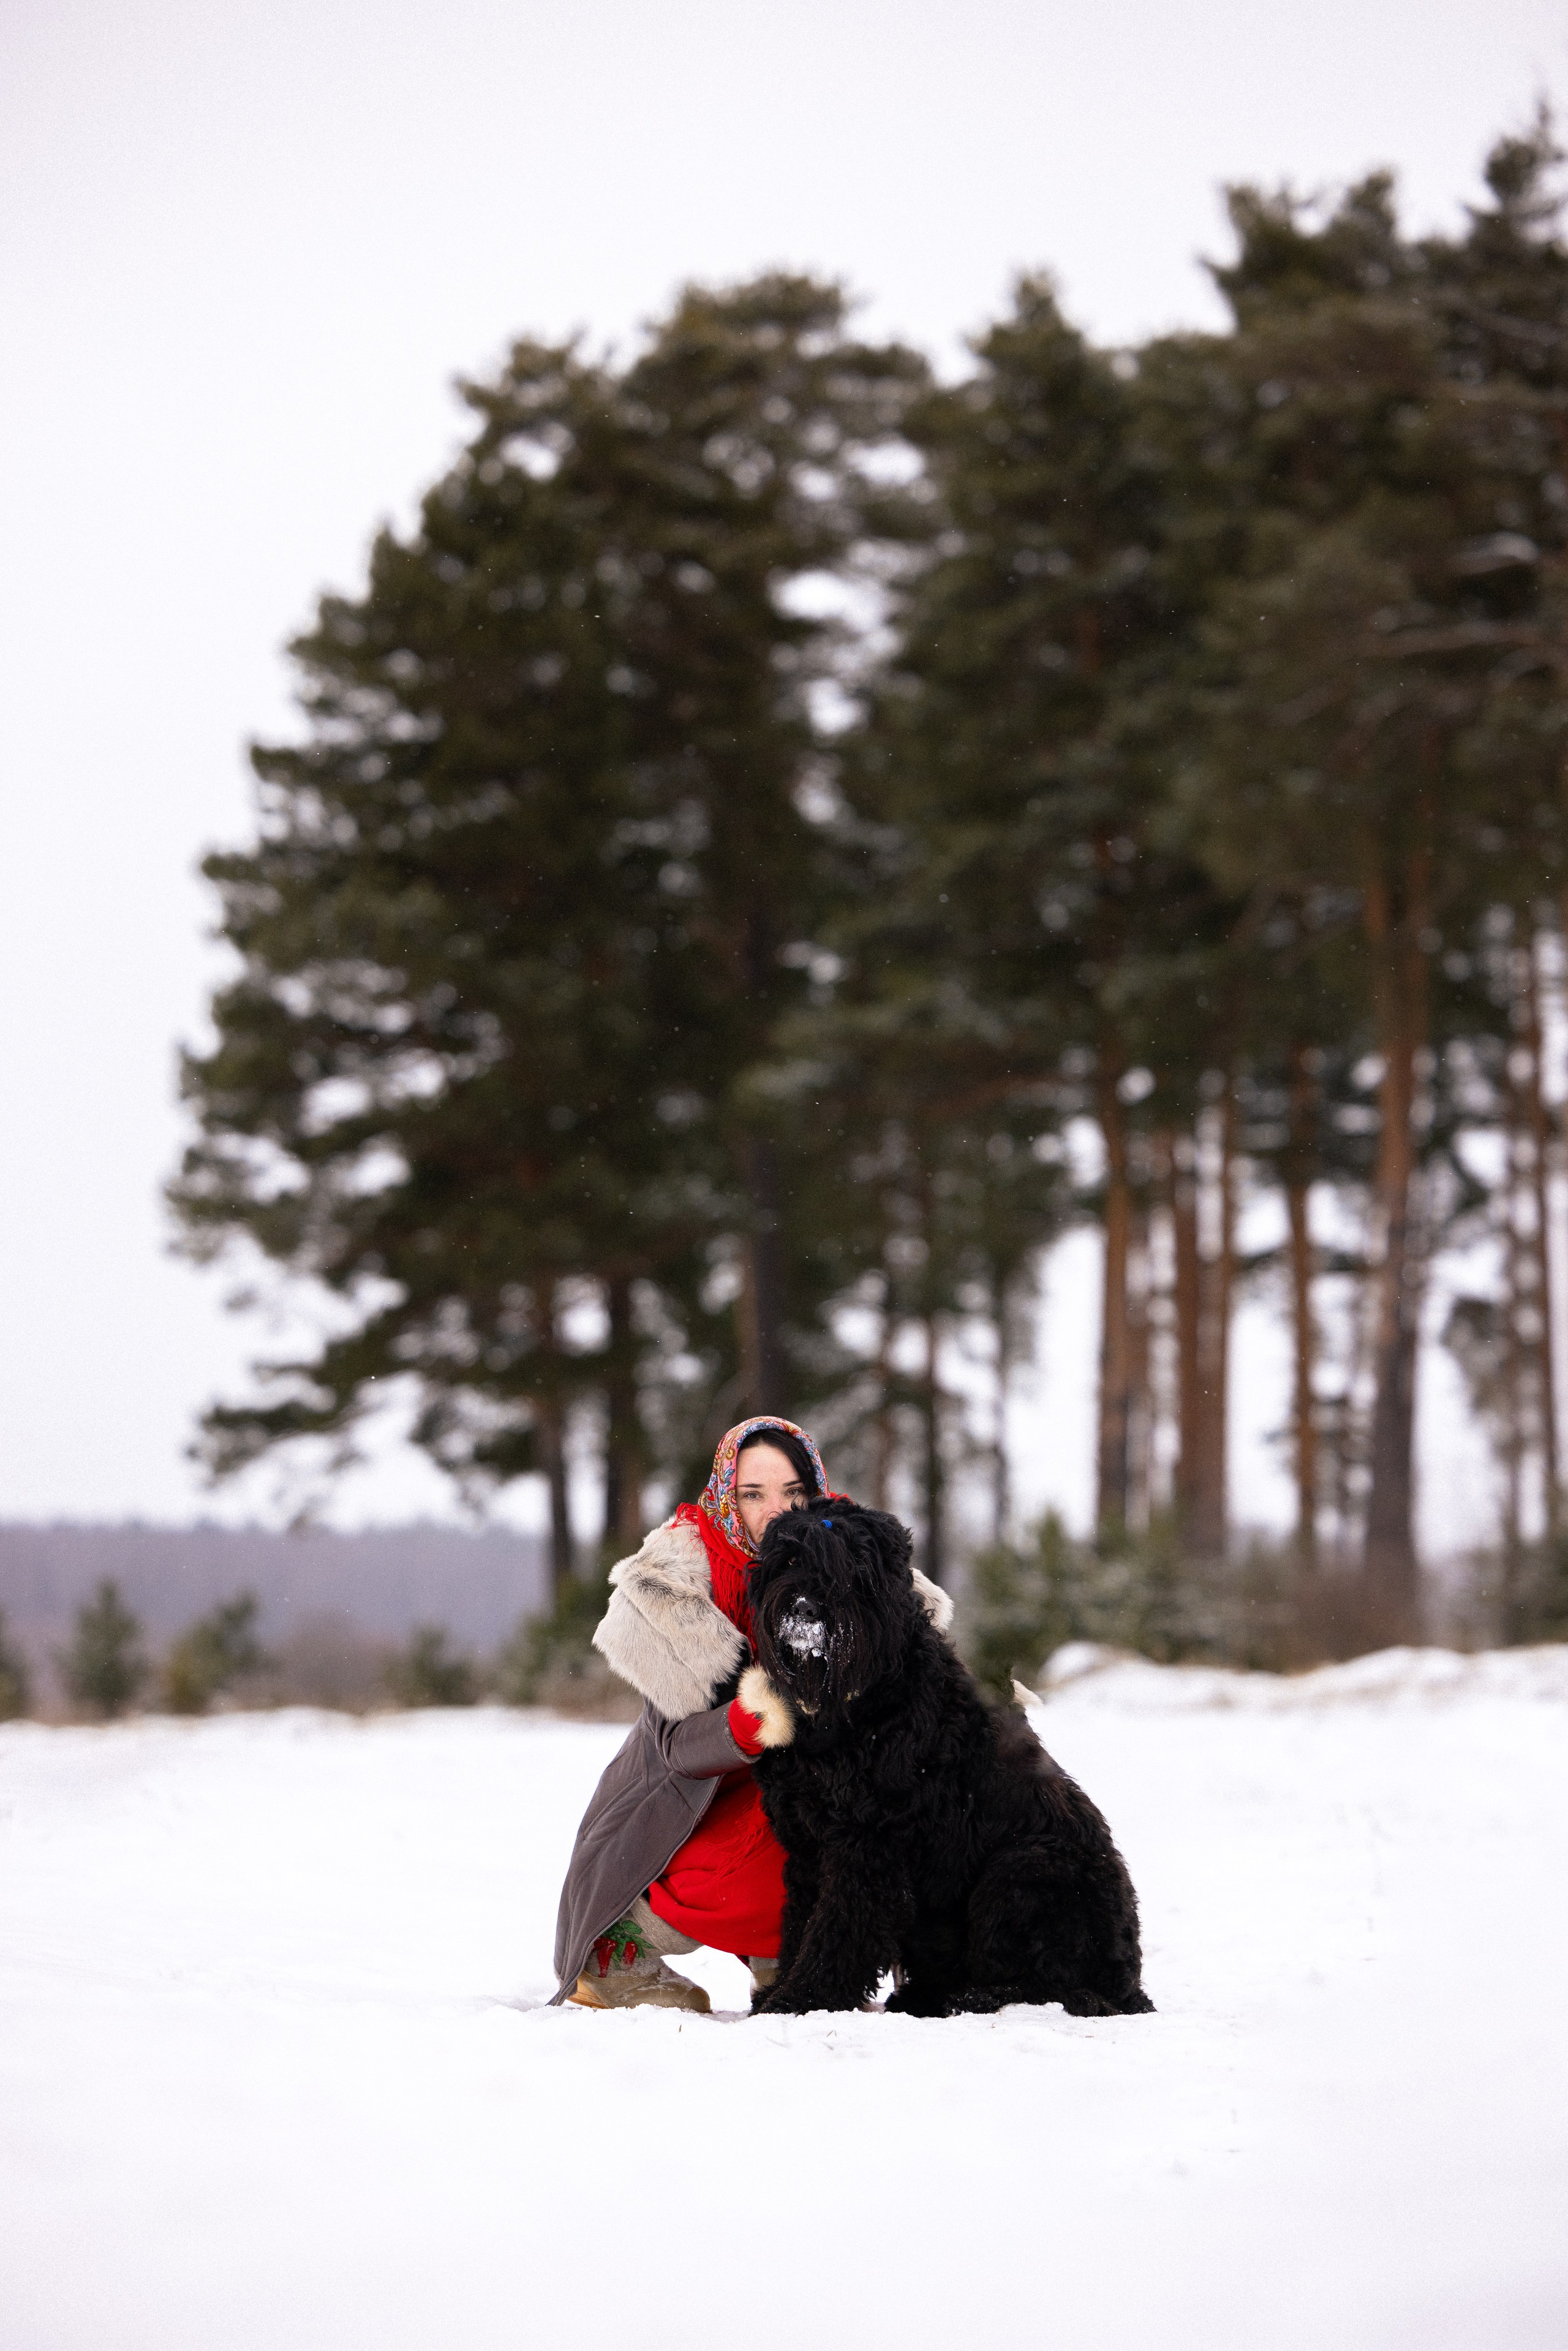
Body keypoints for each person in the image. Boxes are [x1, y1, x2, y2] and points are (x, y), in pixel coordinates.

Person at [551, 1414, 952, 2012]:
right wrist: (746, 1721)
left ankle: (793, 1962)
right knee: (805, 1827)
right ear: (724, 1496)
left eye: (794, 1493)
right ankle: (620, 1951)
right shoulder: (680, 1585)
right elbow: (676, 1751)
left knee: (877, 1812)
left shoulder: (854, 1559)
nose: (776, 1512)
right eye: (753, 1494)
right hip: (685, 1814)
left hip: (797, 1789)